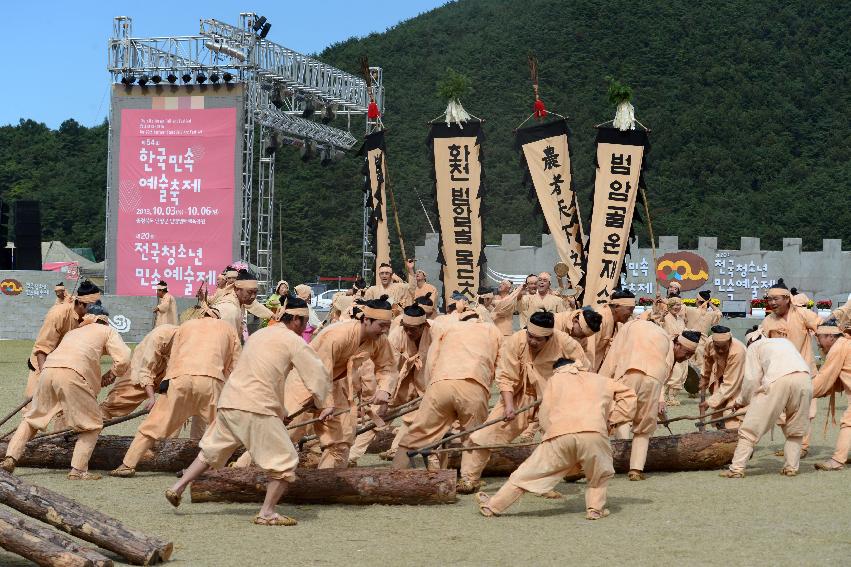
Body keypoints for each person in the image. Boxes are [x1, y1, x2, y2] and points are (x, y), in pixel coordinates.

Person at [164, 296, 332, 525]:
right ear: (295, 320)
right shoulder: (294, 341)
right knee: (286, 460)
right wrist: (324, 403)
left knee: (212, 450)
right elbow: (317, 372)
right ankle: (267, 512)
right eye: (304, 322)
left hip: (231, 400)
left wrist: (281, 410)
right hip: (255, 406)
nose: (305, 328)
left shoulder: (259, 335)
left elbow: (266, 376)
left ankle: (177, 487)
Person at [475, 358, 636, 520]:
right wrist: (613, 419)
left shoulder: (554, 381)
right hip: (594, 433)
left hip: (559, 434)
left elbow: (545, 415)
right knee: (599, 474)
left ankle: (493, 505)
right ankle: (595, 509)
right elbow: (629, 395)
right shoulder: (600, 379)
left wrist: (547, 435)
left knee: (527, 473)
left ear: (557, 370)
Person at [458, 311, 591, 493]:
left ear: (549, 336)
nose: (533, 341)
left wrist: (565, 382)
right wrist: (509, 406)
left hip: (552, 398)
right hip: (520, 396)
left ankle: (568, 472)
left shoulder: (565, 342)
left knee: (558, 437)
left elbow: (584, 368)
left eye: (539, 339)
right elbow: (505, 376)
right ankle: (468, 480)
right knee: (485, 436)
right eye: (531, 336)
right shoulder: (516, 340)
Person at [109, 302, 241, 477]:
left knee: (152, 425)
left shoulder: (184, 327)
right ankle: (213, 468)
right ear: (217, 317)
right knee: (223, 428)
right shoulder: (228, 329)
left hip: (179, 380)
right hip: (210, 381)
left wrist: (166, 382)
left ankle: (127, 464)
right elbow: (236, 365)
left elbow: (175, 356)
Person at [2, 302, 131, 479]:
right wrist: (113, 373)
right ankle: (78, 471)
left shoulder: (74, 332)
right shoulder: (107, 331)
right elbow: (123, 358)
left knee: (33, 419)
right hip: (73, 374)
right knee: (92, 425)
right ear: (105, 321)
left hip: (48, 371)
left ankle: (10, 457)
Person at [285, 296, 398, 469]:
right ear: (366, 320)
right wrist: (326, 403)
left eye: (387, 327)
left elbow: (388, 367)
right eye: (381, 326)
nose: (384, 331)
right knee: (285, 435)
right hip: (305, 383)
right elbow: (320, 372)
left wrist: (384, 390)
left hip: (335, 385)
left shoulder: (379, 341)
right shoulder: (337, 336)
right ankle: (243, 471)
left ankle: (327, 486)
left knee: (341, 441)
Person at [392, 314, 502, 474]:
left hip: (440, 385)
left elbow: (432, 359)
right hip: (473, 385)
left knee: (418, 433)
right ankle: (469, 479)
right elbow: (501, 364)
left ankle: (396, 471)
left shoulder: (448, 329)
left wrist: (430, 389)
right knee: (473, 437)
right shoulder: (492, 330)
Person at [600, 321, 699, 480]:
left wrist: (602, 380)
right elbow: (614, 355)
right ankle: (633, 468)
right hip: (640, 375)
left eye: (690, 356)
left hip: (640, 375)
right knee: (639, 425)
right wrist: (601, 382)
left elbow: (613, 355)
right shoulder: (660, 341)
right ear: (677, 344)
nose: (686, 358)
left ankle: (630, 464)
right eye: (686, 353)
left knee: (622, 418)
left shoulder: (638, 329)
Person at [720, 332, 812, 478]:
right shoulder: (784, 342)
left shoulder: (753, 347)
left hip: (777, 380)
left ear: (749, 341)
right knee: (796, 429)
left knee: (750, 430)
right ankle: (791, 468)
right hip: (804, 379)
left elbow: (751, 380)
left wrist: (740, 401)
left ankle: (736, 469)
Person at [356, 303, 433, 463]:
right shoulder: (396, 335)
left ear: (424, 325)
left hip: (426, 382)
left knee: (417, 419)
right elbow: (387, 368)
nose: (409, 332)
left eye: (413, 329)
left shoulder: (436, 332)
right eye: (406, 328)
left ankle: (397, 449)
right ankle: (352, 455)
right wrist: (385, 396)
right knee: (377, 417)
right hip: (398, 382)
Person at [759, 278, 821, 456]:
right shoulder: (768, 321)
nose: (772, 303)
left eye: (775, 299)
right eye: (769, 300)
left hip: (804, 372)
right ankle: (793, 443)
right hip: (780, 374)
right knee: (780, 413)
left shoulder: (802, 314)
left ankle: (801, 447)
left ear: (787, 299)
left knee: (805, 412)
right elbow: (762, 347)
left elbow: (821, 327)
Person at [24, 280, 102, 398]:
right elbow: (42, 349)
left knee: (67, 407)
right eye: (92, 306)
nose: (94, 310)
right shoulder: (58, 314)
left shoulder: (90, 317)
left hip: (67, 366)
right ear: (81, 304)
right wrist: (45, 378)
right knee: (36, 405)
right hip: (44, 364)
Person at [100, 324, 178, 419]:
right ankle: (90, 429)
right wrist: (151, 397)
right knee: (112, 403)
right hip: (140, 372)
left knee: (175, 410)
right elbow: (145, 370)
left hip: (167, 375)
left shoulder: (191, 340)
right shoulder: (159, 336)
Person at [811, 321, 851, 471]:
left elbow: (825, 377)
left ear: (830, 336)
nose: (818, 343)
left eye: (819, 338)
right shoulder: (846, 343)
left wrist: (805, 391)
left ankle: (837, 461)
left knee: (848, 422)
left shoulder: (839, 347)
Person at [698, 325, 747, 429]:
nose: (720, 351)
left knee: (733, 411)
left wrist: (709, 402)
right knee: (719, 411)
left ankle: (737, 439)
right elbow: (707, 361)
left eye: (723, 347)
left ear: (730, 341)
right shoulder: (710, 343)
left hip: (739, 381)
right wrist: (704, 378)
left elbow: (731, 383)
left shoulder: (738, 352)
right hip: (721, 378)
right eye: (717, 347)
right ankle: (721, 435)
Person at [587, 289, 636, 372]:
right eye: (630, 309)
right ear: (617, 307)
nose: (631, 313)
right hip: (588, 371)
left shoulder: (617, 322)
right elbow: (588, 351)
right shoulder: (599, 318)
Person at [683, 290, 722, 375]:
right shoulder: (710, 314)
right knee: (701, 367)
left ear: (697, 300)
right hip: (702, 344)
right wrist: (710, 303)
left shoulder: (690, 310)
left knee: (687, 366)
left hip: (689, 342)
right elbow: (719, 313)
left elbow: (678, 308)